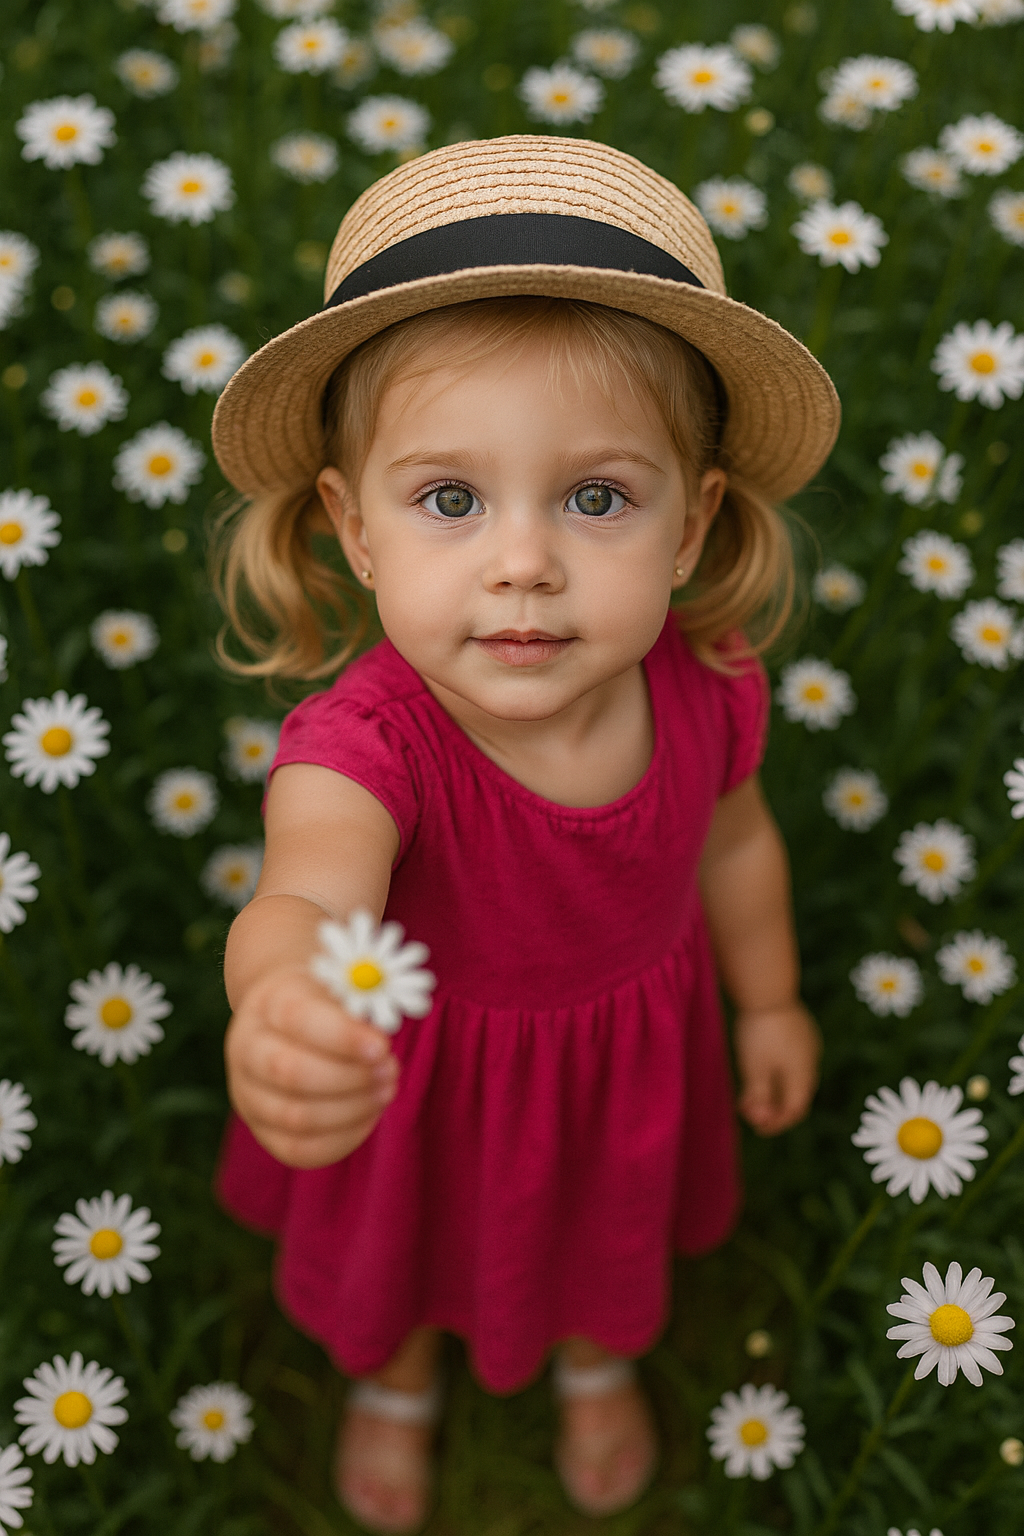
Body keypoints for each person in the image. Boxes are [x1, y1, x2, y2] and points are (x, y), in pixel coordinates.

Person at [209, 135, 838, 1533]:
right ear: (354, 530)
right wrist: (283, 996)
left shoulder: (710, 682)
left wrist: (770, 998)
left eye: (597, 498)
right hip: (424, 1089)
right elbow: (305, 892)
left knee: (607, 1221)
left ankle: (595, 1359)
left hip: (622, 1058)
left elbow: (734, 845)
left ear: (691, 526)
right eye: (450, 500)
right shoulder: (369, 748)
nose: (524, 564)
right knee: (409, 1250)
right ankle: (396, 1380)